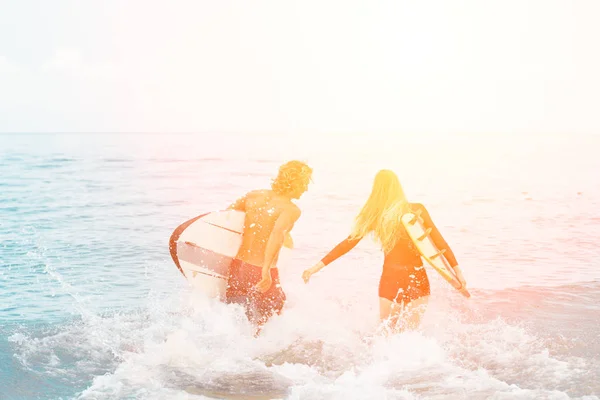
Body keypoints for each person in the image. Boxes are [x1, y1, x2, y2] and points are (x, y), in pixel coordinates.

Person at [302, 169, 466, 333]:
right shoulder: (415, 210)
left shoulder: (374, 215)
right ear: (397, 186)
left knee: (386, 334)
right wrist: (456, 271)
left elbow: (347, 244)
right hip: (416, 276)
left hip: (390, 278)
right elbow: (438, 242)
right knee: (411, 335)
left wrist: (315, 268)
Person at [225, 160, 313, 331]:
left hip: (237, 268)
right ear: (295, 182)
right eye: (305, 183)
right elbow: (276, 235)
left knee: (239, 318)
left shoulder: (253, 196)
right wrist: (266, 272)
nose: (306, 189)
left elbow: (227, 217)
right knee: (271, 319)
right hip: (260, 271)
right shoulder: (291, 209)